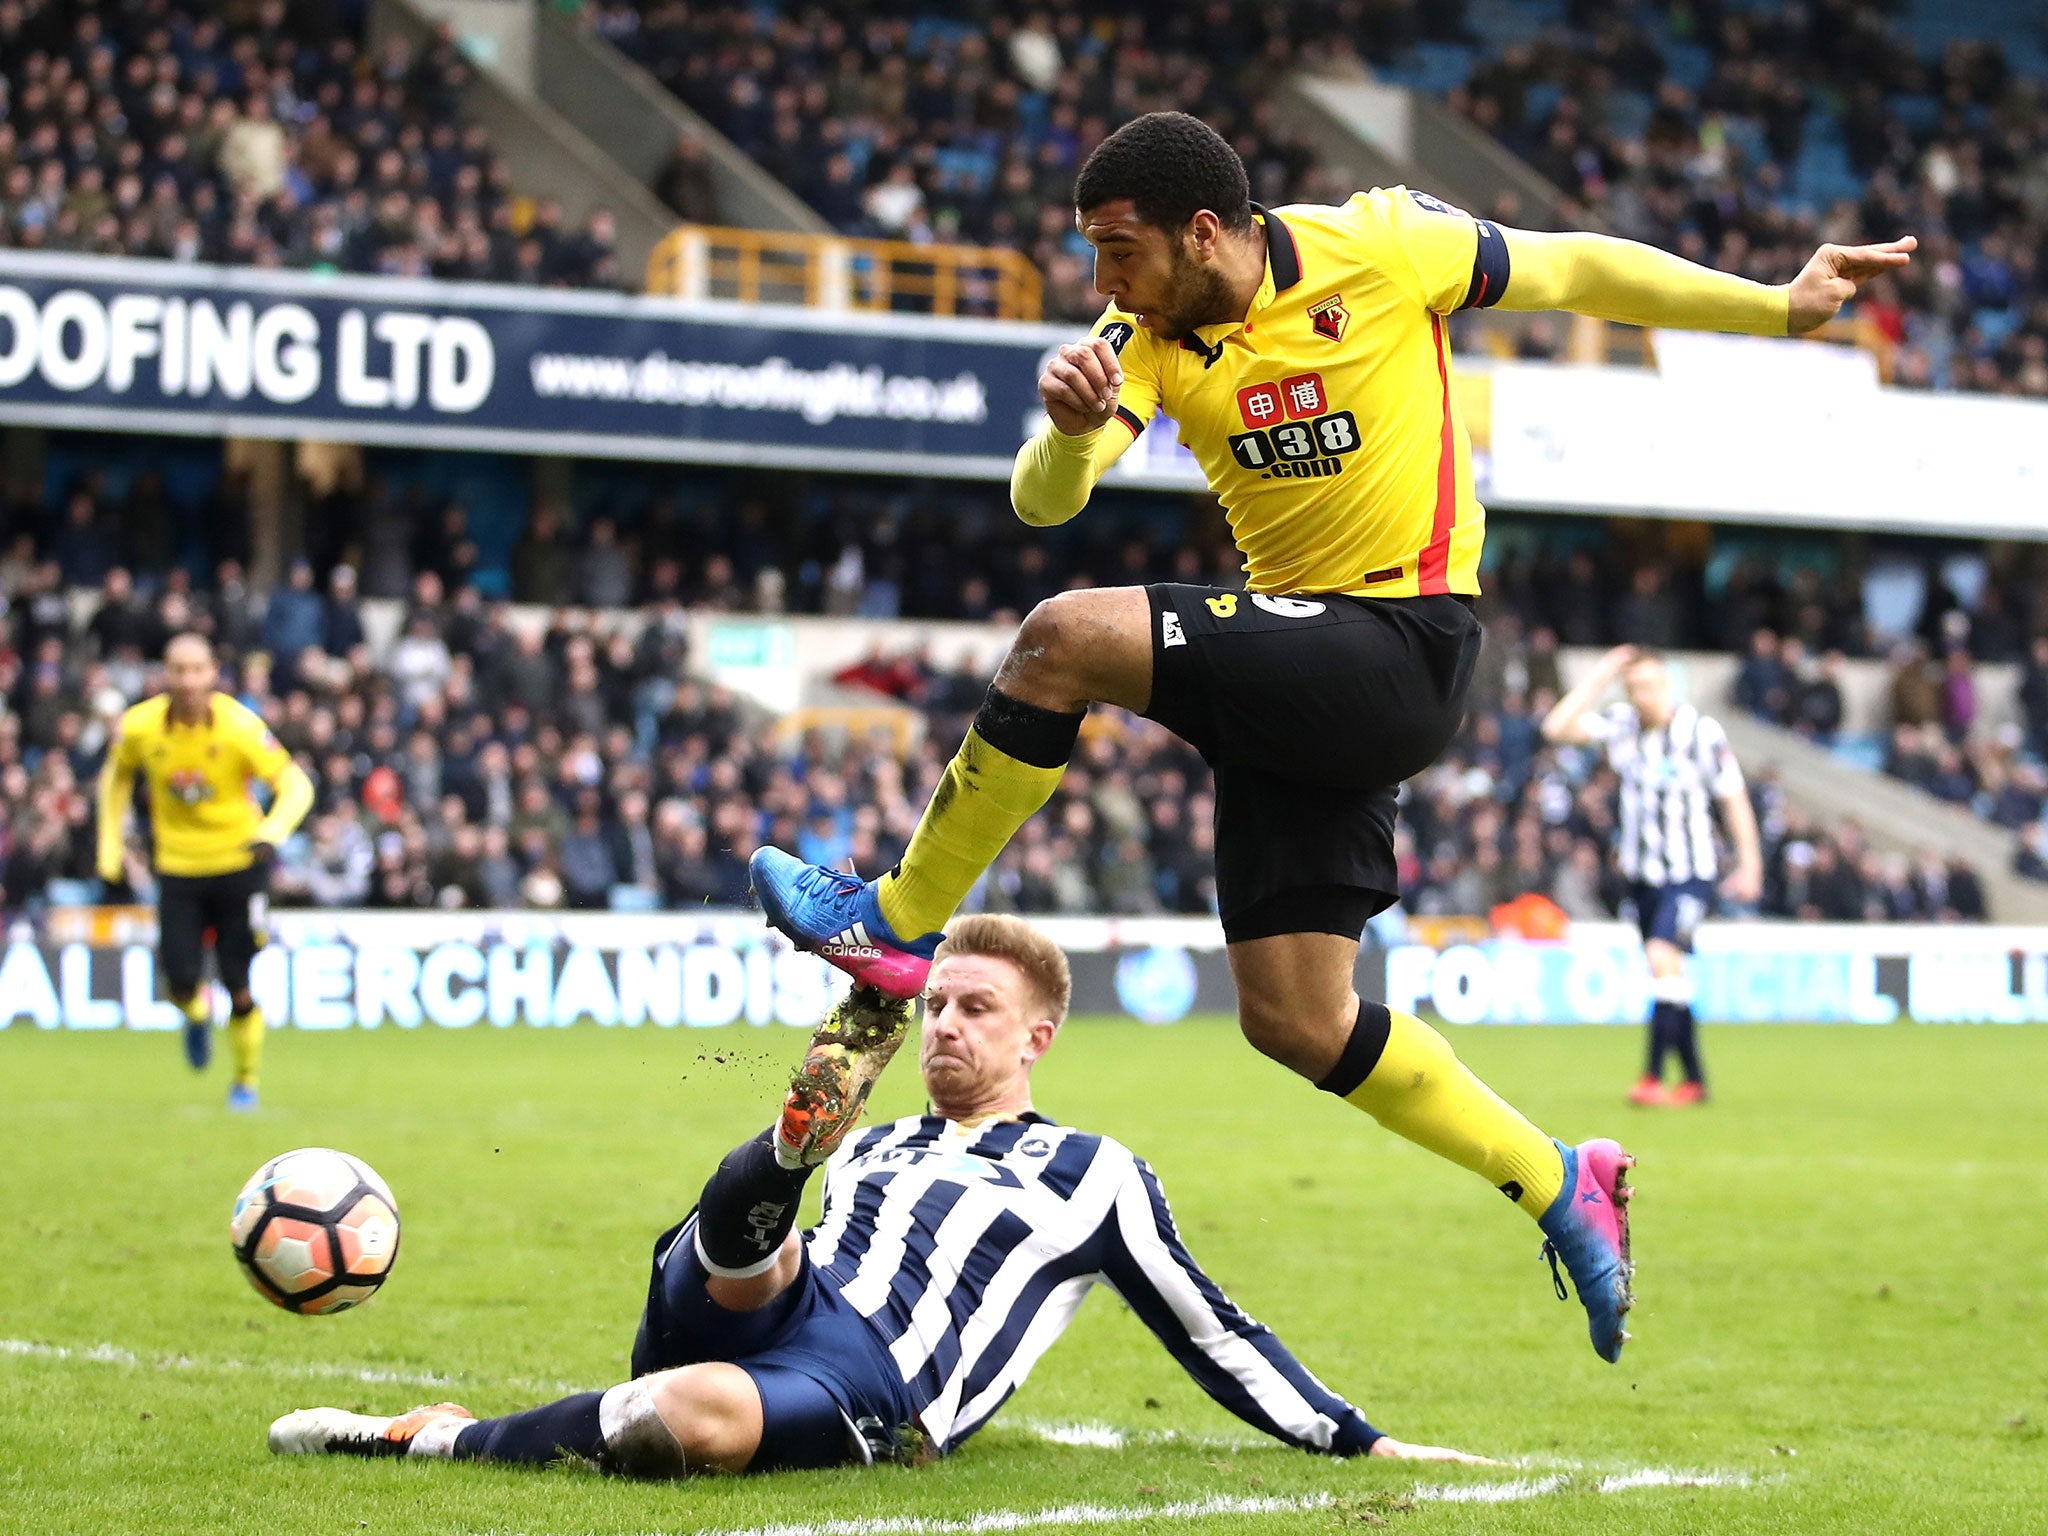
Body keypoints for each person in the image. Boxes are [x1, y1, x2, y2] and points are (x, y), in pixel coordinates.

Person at [748, 110, 1911, 1364]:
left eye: (1118, 250)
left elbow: (1575, 266)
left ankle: (896, 921)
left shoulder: (1384, 243)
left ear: (1206, 232)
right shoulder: (1132, 336)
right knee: (1296, 1019)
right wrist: (1072, 426)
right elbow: (1045, 497)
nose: (1101, 283)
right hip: (1297, 669)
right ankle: (1558, 1177)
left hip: (1400, 641)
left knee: (1058, 640)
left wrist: (1775, 307)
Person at [267, 916, 1488, 1474]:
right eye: (936, 1006)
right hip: (771, 1290)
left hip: (876, 1384)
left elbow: (1214, 1329)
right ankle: (801, 1118)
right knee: (756, 1226)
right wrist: (808, 1169)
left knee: (678, 1418)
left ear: (1037, 1039)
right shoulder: (883, 1144)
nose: (951, 1030)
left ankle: (433, 1436)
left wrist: (1357, 1437)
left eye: (974, 1011)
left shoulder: (1095, 1176)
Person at [95, 634, 314, 1110]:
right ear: (165, 674)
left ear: (214, 672)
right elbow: (114, 780)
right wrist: (109, 847)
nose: (189, 680)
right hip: (177, 867)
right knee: (178, 981)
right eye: (179, 670)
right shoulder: (139, 728)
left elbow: (295, 784)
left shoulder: (239, 726)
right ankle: (196, 1016)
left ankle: (245, 1081)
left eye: (198, 670)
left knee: (239, 981)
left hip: (239, 862)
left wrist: (272, 831)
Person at [1540, 646, 1763, 1106]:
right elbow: (1555, 728)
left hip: (1690, 873)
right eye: (1634, 687)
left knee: (1663, 958)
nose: (1642, 695)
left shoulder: (1701, 733)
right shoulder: (1622, 726)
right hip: (1642, 876)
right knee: (1669, 977)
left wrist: (1750, 863)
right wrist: (1600, 675)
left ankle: (1651, 1077)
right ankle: (1696, 1080)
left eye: (1650, 685)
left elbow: (1733, 799)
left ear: (1669, 684)